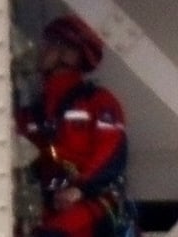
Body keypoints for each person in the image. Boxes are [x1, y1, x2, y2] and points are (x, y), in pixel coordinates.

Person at [16, 15, 137, 237]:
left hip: (90, 200)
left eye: (50, 45)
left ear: (69, 55)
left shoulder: (98, 101)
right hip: (49, 202)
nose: (42, 51)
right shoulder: (34, 110)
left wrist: (80, 189)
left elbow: (111, 153)